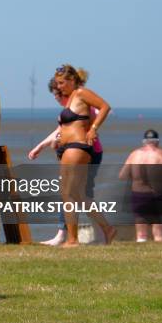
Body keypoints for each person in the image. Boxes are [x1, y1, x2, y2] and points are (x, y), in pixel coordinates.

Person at [29, 78, 104, 246]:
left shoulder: (82, 104)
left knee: (75, 195)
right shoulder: (69, 107)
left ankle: (68, 236)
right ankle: (92, 234)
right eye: (55, 94)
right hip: (78, 154)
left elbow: (91, 120)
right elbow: (59, 131)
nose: (56, 98)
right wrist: (39, 147)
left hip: (87, 154)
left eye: (58, 94)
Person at [53, 64, 116, 247]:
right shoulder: (72, 96)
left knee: (68, 194)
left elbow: (104, 106)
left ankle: (72, 240)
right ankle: (108, 229)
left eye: (62, 83)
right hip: (68, 148)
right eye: (57, 83)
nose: (59, 87)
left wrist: (93, 129)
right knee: (78, 195)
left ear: (72, 80)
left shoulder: (81, 93)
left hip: (77, 147)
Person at [119, 129, 162, 242]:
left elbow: (122, 176)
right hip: (158, 195)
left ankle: (141, 250)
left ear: (144, 141)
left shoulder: (134, 154)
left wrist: (136, 177)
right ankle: (161, 256)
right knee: (158, 232)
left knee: (141, 233)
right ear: (157, 142)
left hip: (138, 194)